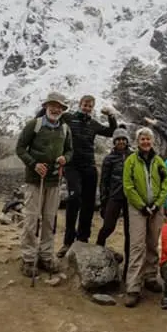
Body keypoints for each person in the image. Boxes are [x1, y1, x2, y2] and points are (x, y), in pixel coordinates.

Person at [16, 92, 73, 277]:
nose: (56, 109)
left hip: (54, 181)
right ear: (46, 106)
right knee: (31, 220)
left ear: (62, 110)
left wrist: (66, 158)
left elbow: (70, 150)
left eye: (59, 107)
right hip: (35, 181)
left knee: (49, 220)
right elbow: (20, 148)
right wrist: (34, 164)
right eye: (53, 105)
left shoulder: (64, 129)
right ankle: (28, 258)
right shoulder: (35, 125)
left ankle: (46, 256)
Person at [56, 95, 117, 258]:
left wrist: (111, 116)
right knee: (74, 198)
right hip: (72, 165)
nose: (87, 108)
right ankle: (67, 241)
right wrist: (57, 105)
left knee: (89, 204)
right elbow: (51, 116)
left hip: (89, 166)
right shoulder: (68, 118)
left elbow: (111, 132)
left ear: (93, 107)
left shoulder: (93, 124)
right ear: (80, 104)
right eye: (84, 105)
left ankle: (82, 238)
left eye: (90, 106)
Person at [123, 127, 167, 308]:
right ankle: (133, 286)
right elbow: (128, 186)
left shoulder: (159, 161)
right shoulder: (131, 161)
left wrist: (158, 204)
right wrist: (142, 206)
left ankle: (150, 276)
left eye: (148, 139)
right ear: (138, 141)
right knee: (136, 245)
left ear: (152, 141)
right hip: (137, 208)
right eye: (142, 139)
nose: (145, 142)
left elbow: (165, 183)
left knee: (152, 243)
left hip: (156, 208)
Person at [96, 125, 133, 281]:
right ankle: (98, 248)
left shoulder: (133, 156)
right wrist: (103, 200)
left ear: (127, 140)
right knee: (108, 226)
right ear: (114, 141)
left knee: (129, 232)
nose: (121, 142)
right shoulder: (109, 158)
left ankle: (128, 268)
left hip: (130, 197)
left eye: (123, 139)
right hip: (114, 196)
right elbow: (104, 181)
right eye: (118, 139)